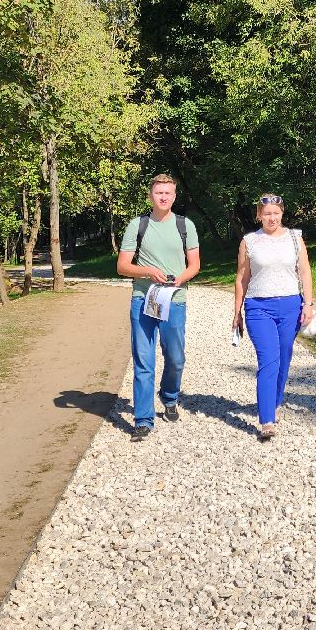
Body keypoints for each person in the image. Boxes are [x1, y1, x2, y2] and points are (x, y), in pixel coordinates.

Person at [117, 174, 201, 441]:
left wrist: (180, 279)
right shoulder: (137, 225)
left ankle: (169, 396)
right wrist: (148, 271)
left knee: (175, 358)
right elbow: (122, 266)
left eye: (167, 193)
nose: (163, 197)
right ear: (150, 196)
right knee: (144, 360)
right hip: (143, 299)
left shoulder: (185, 225)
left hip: (174, 300)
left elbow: (195, 265)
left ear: (174, 196)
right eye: (158, 193)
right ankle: (143, 420)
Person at [233, 193, 315, 441]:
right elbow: (242, 278)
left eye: (276, 213)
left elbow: (305, 272)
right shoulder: (249, 241)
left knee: (284, 358)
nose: (272, 218)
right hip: (259, 308)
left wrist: (308, 304)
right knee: (269, 360)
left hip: (291, 306)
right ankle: (267, 420)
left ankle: (275, 401)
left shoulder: (295, 238)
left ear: (282, 213)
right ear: (259, 215)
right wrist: (237, 312)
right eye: (267, 213)